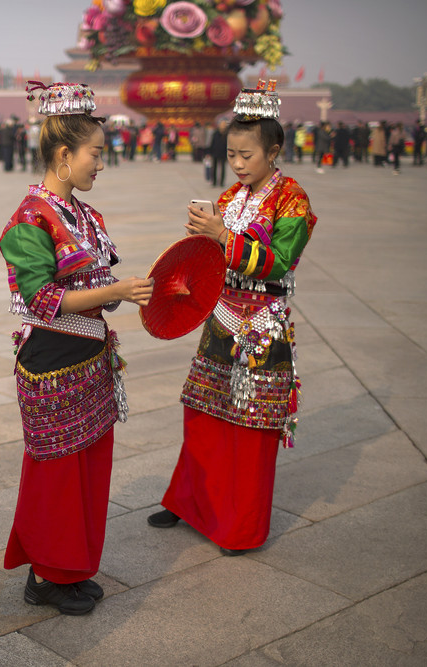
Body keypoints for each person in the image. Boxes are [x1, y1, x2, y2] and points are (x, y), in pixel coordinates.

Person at [1, 82, 153, 616]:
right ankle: (46, 573)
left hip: (90, 357)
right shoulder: (29, 219)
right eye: (95, 154)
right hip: (50, 360)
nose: (101, 165)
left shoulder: (85, 216)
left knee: (87, 467)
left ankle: (72, 567)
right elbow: (42, 299)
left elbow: (98, 288)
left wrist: (129, 293)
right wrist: (113, 291)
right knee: (56, 472)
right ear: (64, 155)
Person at [148, 81, 317, 557]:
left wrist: (222, 236)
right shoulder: (231, 196)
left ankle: (240, 526)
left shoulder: (292, 200)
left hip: (262, 326)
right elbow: (211, 260)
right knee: (201, 412)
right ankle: (190, 502)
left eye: (247, 155)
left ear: (274, 151)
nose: (238, 163)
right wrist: (198, 250)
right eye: (232, 154)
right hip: (221, 318)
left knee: (250, 427)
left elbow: (280, 259)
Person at [208, 119, 228, 187]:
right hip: (215, 152)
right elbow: (212, 143)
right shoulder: (215, 133)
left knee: (223, 168)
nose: (223, 126)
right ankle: (214, 181)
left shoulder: (227, 134)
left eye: (224, 124)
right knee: (214, 168)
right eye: (222, 124)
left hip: (223, 153)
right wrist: (209, 152)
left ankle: (222, 182)